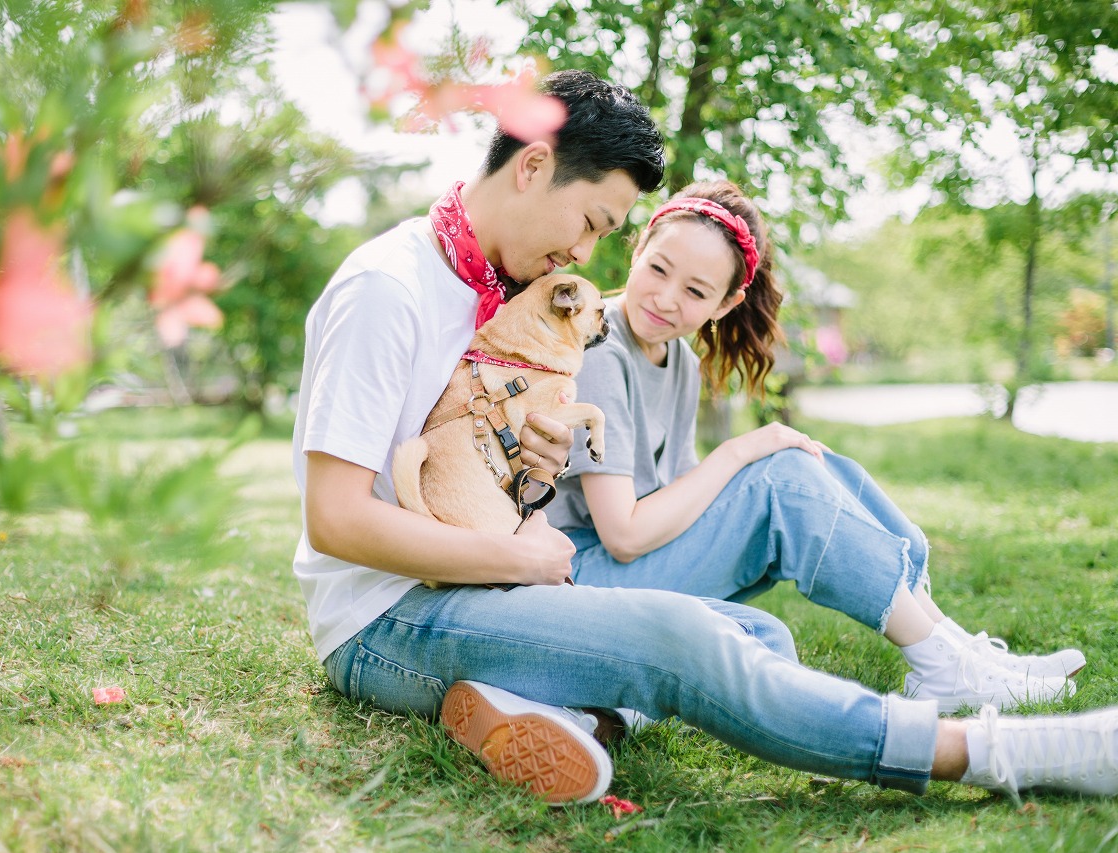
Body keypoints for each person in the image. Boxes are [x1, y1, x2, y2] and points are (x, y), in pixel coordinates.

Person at [292, 69, 1118, 808]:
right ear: (534, 165)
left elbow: (464, 458)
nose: (585, 254)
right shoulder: (388, 288)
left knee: (760, 635)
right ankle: (1002, 750)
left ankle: (554, 707)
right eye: (591, 222)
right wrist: (523, 559)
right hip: (390, 618)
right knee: (688, 639)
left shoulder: (496, 292)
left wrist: (531, 475)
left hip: (478, 574)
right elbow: (336, 520)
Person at [545, 180, 1087, 716]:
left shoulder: (679, 360)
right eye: (659, 269)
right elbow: (624, 534)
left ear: (725, 303)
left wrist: (763, 465)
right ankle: (944, 663)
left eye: (695, 291)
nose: (665, 298)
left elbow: (686, 500)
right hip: (584, 580)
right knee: (780, 474)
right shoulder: (600, 347)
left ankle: (953, 647)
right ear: (638, 250)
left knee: (805, 465)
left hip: (627, 570)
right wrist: (739, 454)